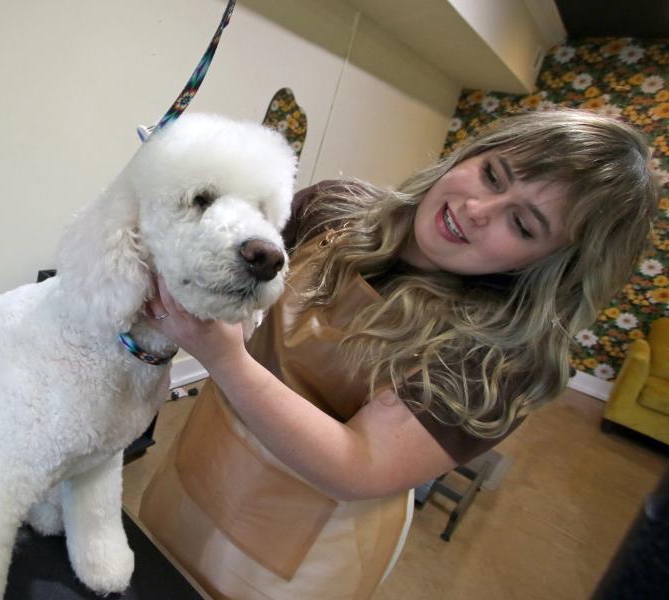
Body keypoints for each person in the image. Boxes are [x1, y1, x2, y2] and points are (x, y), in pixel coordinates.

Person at [139, 109, 660, 599]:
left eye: (522, 225)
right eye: (493, 176)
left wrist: (227, 362)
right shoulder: (330, 208)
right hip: (196, 469)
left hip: (293, 557)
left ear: (552, 264)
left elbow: (360, 465)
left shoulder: (499, 362)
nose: (477, 211)